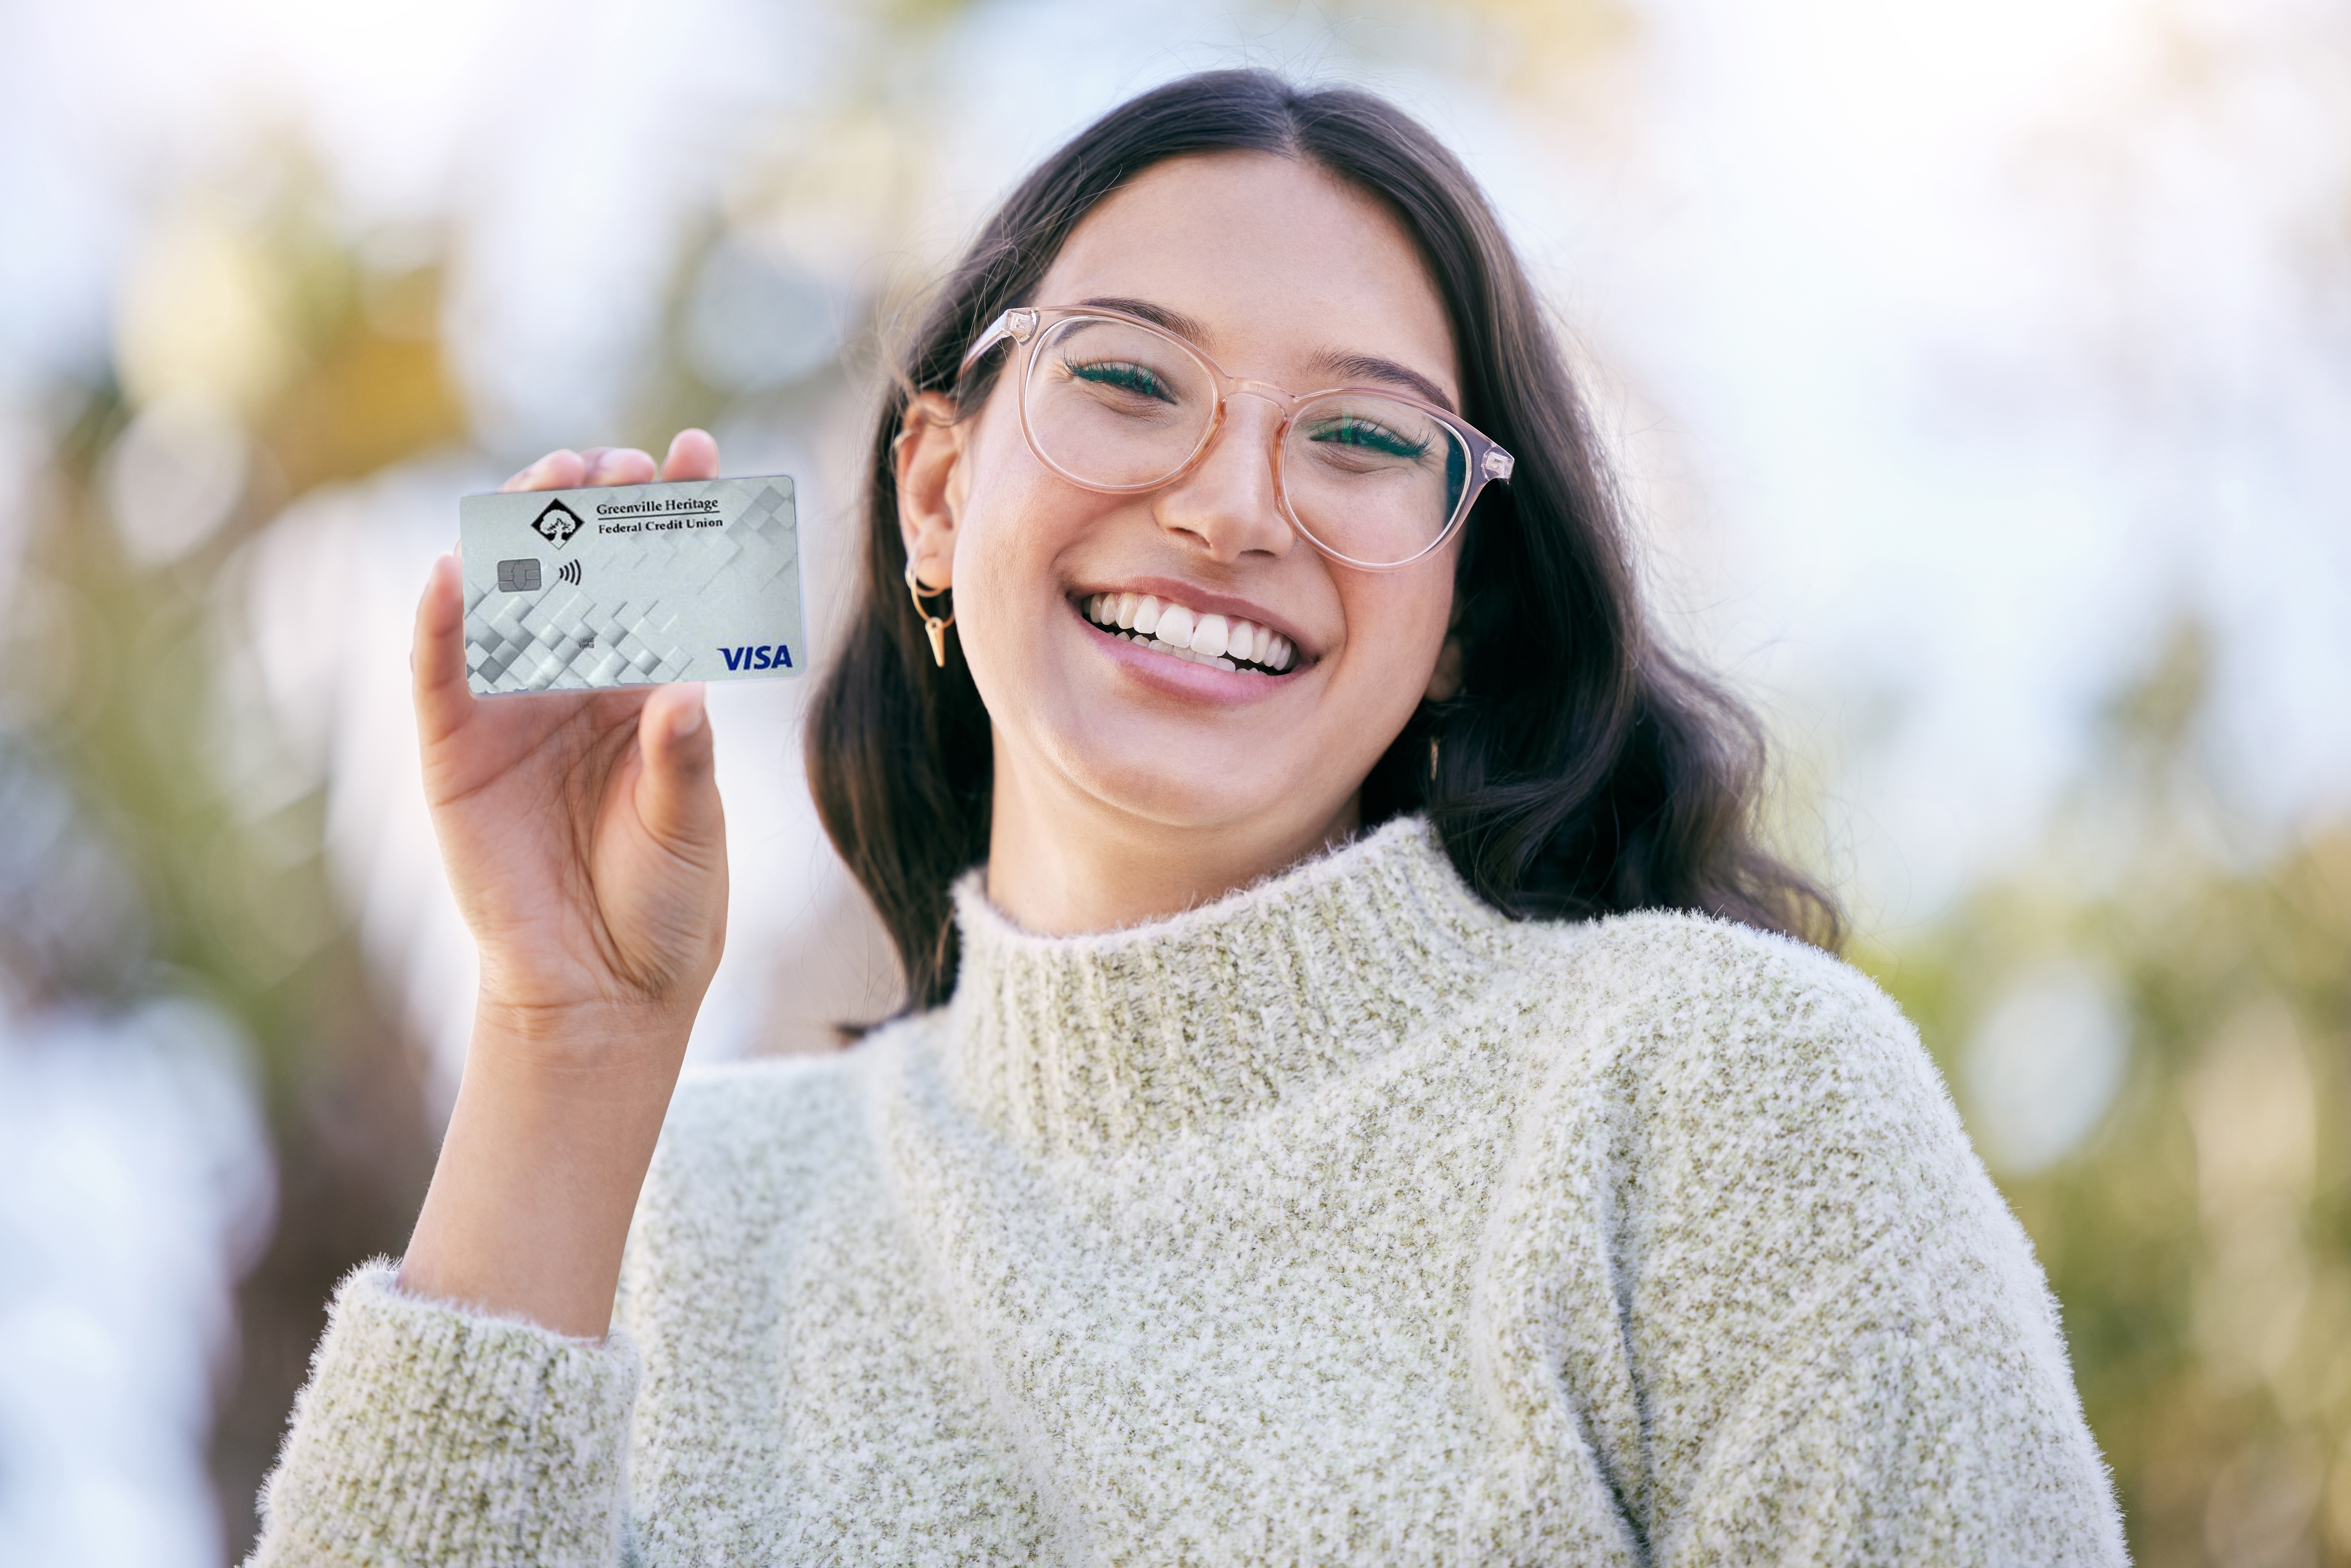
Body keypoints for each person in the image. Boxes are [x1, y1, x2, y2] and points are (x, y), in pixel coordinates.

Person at [246, 71, 2125, 1566]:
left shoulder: (1715, 1094)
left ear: (1465, 614)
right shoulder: (676, 1228)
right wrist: (563, 1043)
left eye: (1367, 439)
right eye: (1132, 381)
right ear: (932, 489)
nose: (1233, 506)